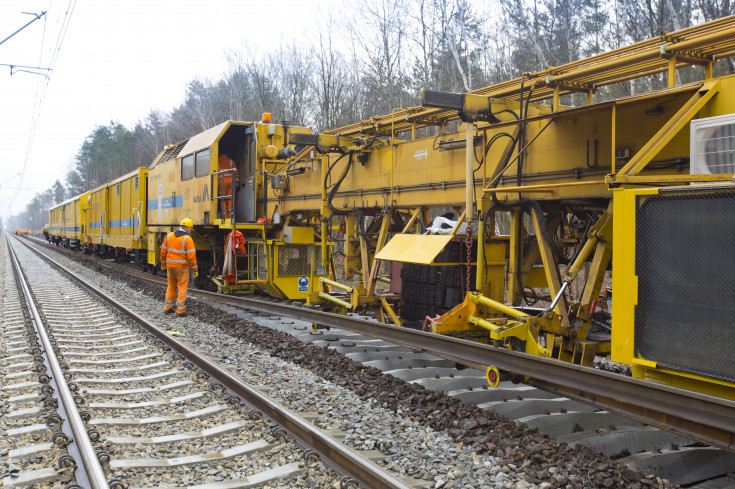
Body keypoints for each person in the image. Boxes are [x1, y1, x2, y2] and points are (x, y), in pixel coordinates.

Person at [160, 218, 198, 317]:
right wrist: (195, 269)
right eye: (190, 229)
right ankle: (180, 311)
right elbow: (191, 257)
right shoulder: (187, 239)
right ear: (188, 228)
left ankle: (167, 308)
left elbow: (163, 251)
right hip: (181, 268)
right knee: (182, 287)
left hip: (170, 266)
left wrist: (163, 264)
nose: (190, 231)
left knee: (171, 286)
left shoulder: (169, 236)